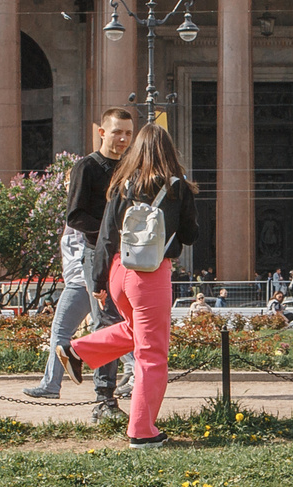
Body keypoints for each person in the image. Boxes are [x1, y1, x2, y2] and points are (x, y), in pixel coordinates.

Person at [69, 123, 199, 447]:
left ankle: (76, 351)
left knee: (134, 332)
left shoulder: (122, 184)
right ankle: (142, 432)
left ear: (137, 150)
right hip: (151, 276)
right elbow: (191, 235)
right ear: (169, 151)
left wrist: (98, 279)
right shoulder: (177, 187)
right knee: (152, 354)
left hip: (118, 273)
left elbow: (106, 237)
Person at [27, 109, 133, 420]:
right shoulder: (86, 167)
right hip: (97, 256)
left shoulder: (132, 167)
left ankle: (125, 376)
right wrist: (110, 230)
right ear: (102, 132)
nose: (123, 139)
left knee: (122, 321)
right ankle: (103, 400)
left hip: (129, 256)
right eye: (117, 133)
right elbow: (75, 216)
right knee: (105, 321)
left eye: (128, 133)